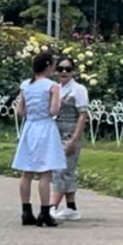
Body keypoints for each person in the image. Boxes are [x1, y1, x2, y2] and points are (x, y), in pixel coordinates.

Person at [12, 51, 67, 227]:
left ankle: (26, 210)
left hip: (30, 126)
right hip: (45, 127)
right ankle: (44, 211)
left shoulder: (26, 85)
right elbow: (53, 110)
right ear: (48, 66)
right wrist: (59, 103)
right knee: (45, 171)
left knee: (27, 171)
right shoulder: (53, 86)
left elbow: (20, 110)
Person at [49, 57, 89, 221]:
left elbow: (82, 115)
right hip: (56, 130)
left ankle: (51, 206)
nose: (64, 72)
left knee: (62, 169)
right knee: (66, 170)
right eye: (60, 69)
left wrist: (75, 139)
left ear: (73, 71)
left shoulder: (78, 89)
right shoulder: (56, 88)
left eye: (68, 69)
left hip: (70, 130)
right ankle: (71, 207)